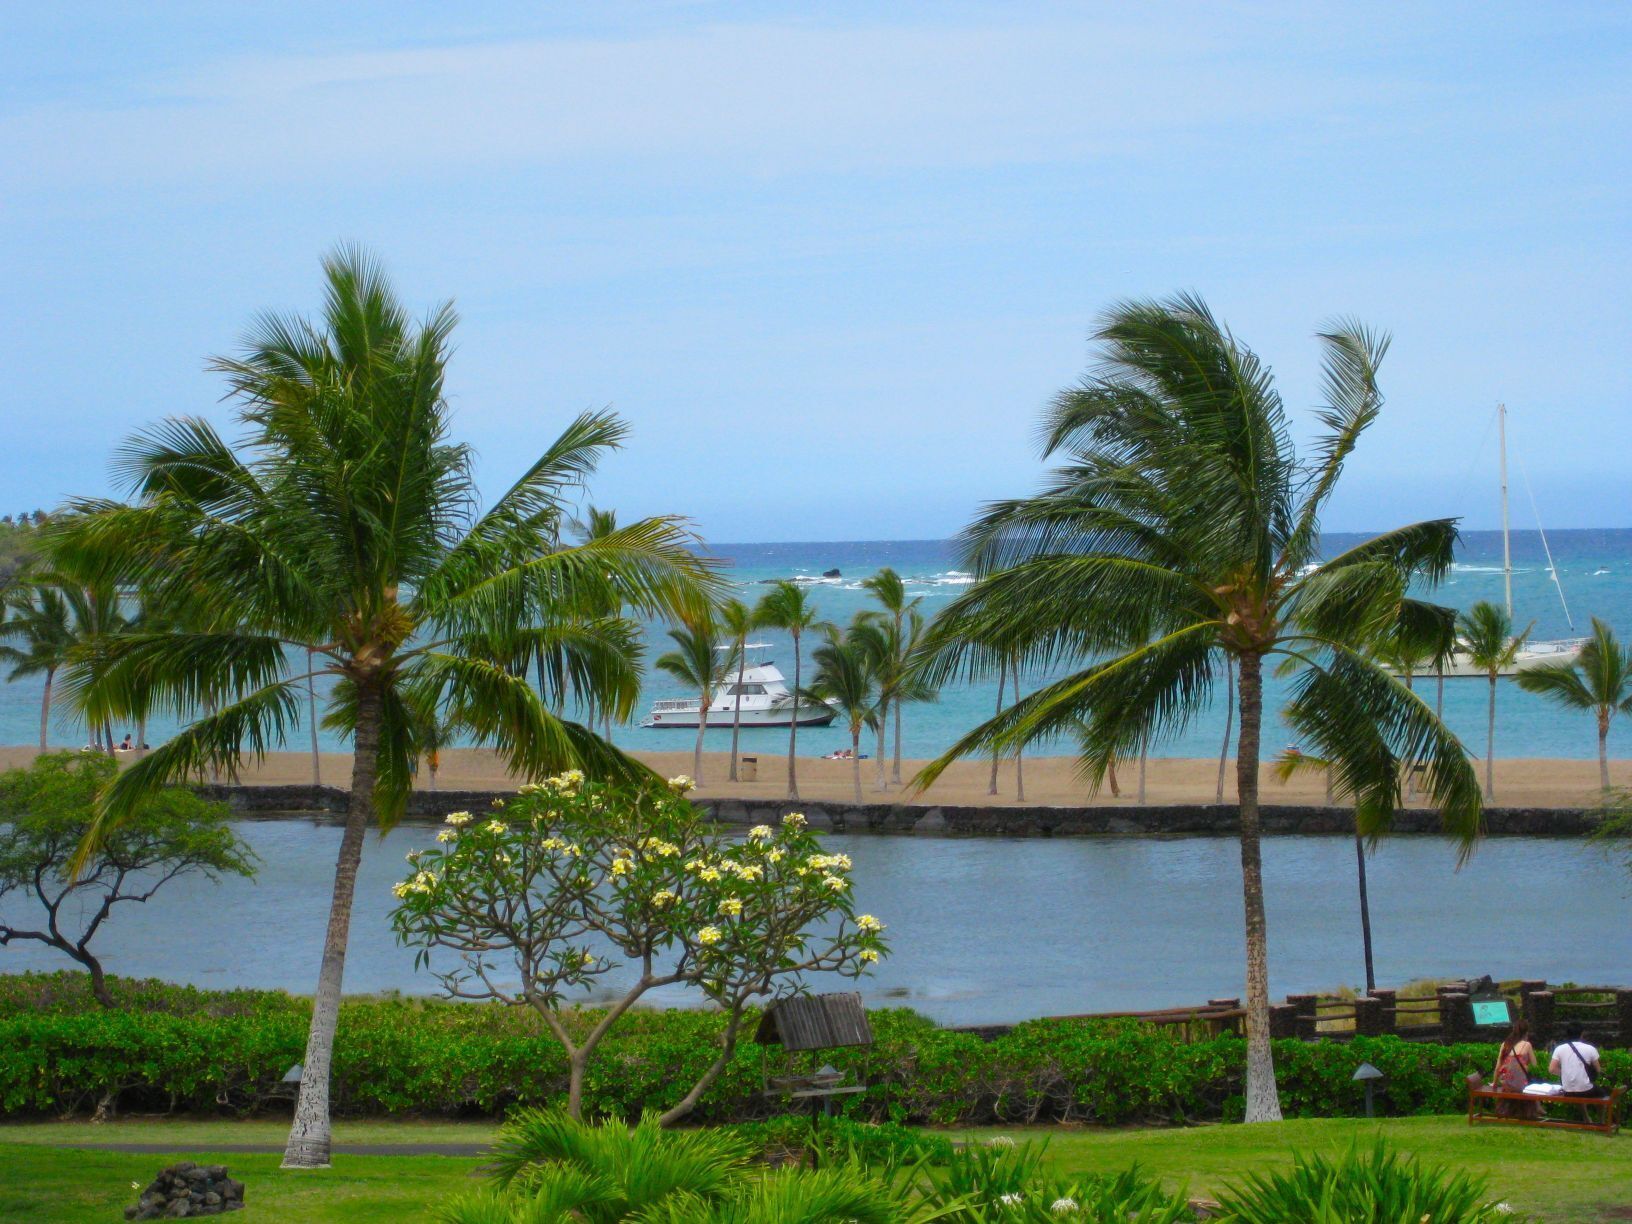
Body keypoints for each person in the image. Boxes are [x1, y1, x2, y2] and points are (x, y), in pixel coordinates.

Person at [1492, 1019, 1536, 1118]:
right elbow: (1534, 1065)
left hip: (1506, 1083)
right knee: (1530, 1083)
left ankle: (1507, 1112)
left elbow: (1498, 1066)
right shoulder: (1527, 1045)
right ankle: (1530, 1112)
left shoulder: (1505, 1044)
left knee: (1512, 1085)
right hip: (1521, 1084)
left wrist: (1494, 1083)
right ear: (1526, 1031)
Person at [1549, 1022, 1605, 1098]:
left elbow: (1552, 1069)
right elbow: (1598, 1069)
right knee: (1601, 1093)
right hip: (1586, 1090)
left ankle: (1583, 1110)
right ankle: (1601, 1110)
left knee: (1579, 1093)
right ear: (1582, 1034)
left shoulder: (1559, 1049)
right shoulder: (1590, 1048)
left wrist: (1566, 1074)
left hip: (1567, 1090)